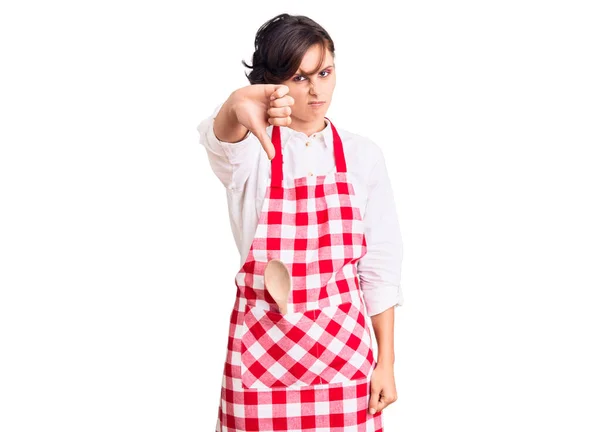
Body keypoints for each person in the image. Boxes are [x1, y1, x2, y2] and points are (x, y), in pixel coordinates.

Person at [196, 13, 403, 432]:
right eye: (298, 77)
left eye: (324, 72)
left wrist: (387, 362)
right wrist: (239, 101)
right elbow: (220, 138)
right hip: (262, 356)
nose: (315, 90)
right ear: (271, 83)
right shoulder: (250, 151)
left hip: (343, 355)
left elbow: (380, 268)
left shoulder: (363, 156)